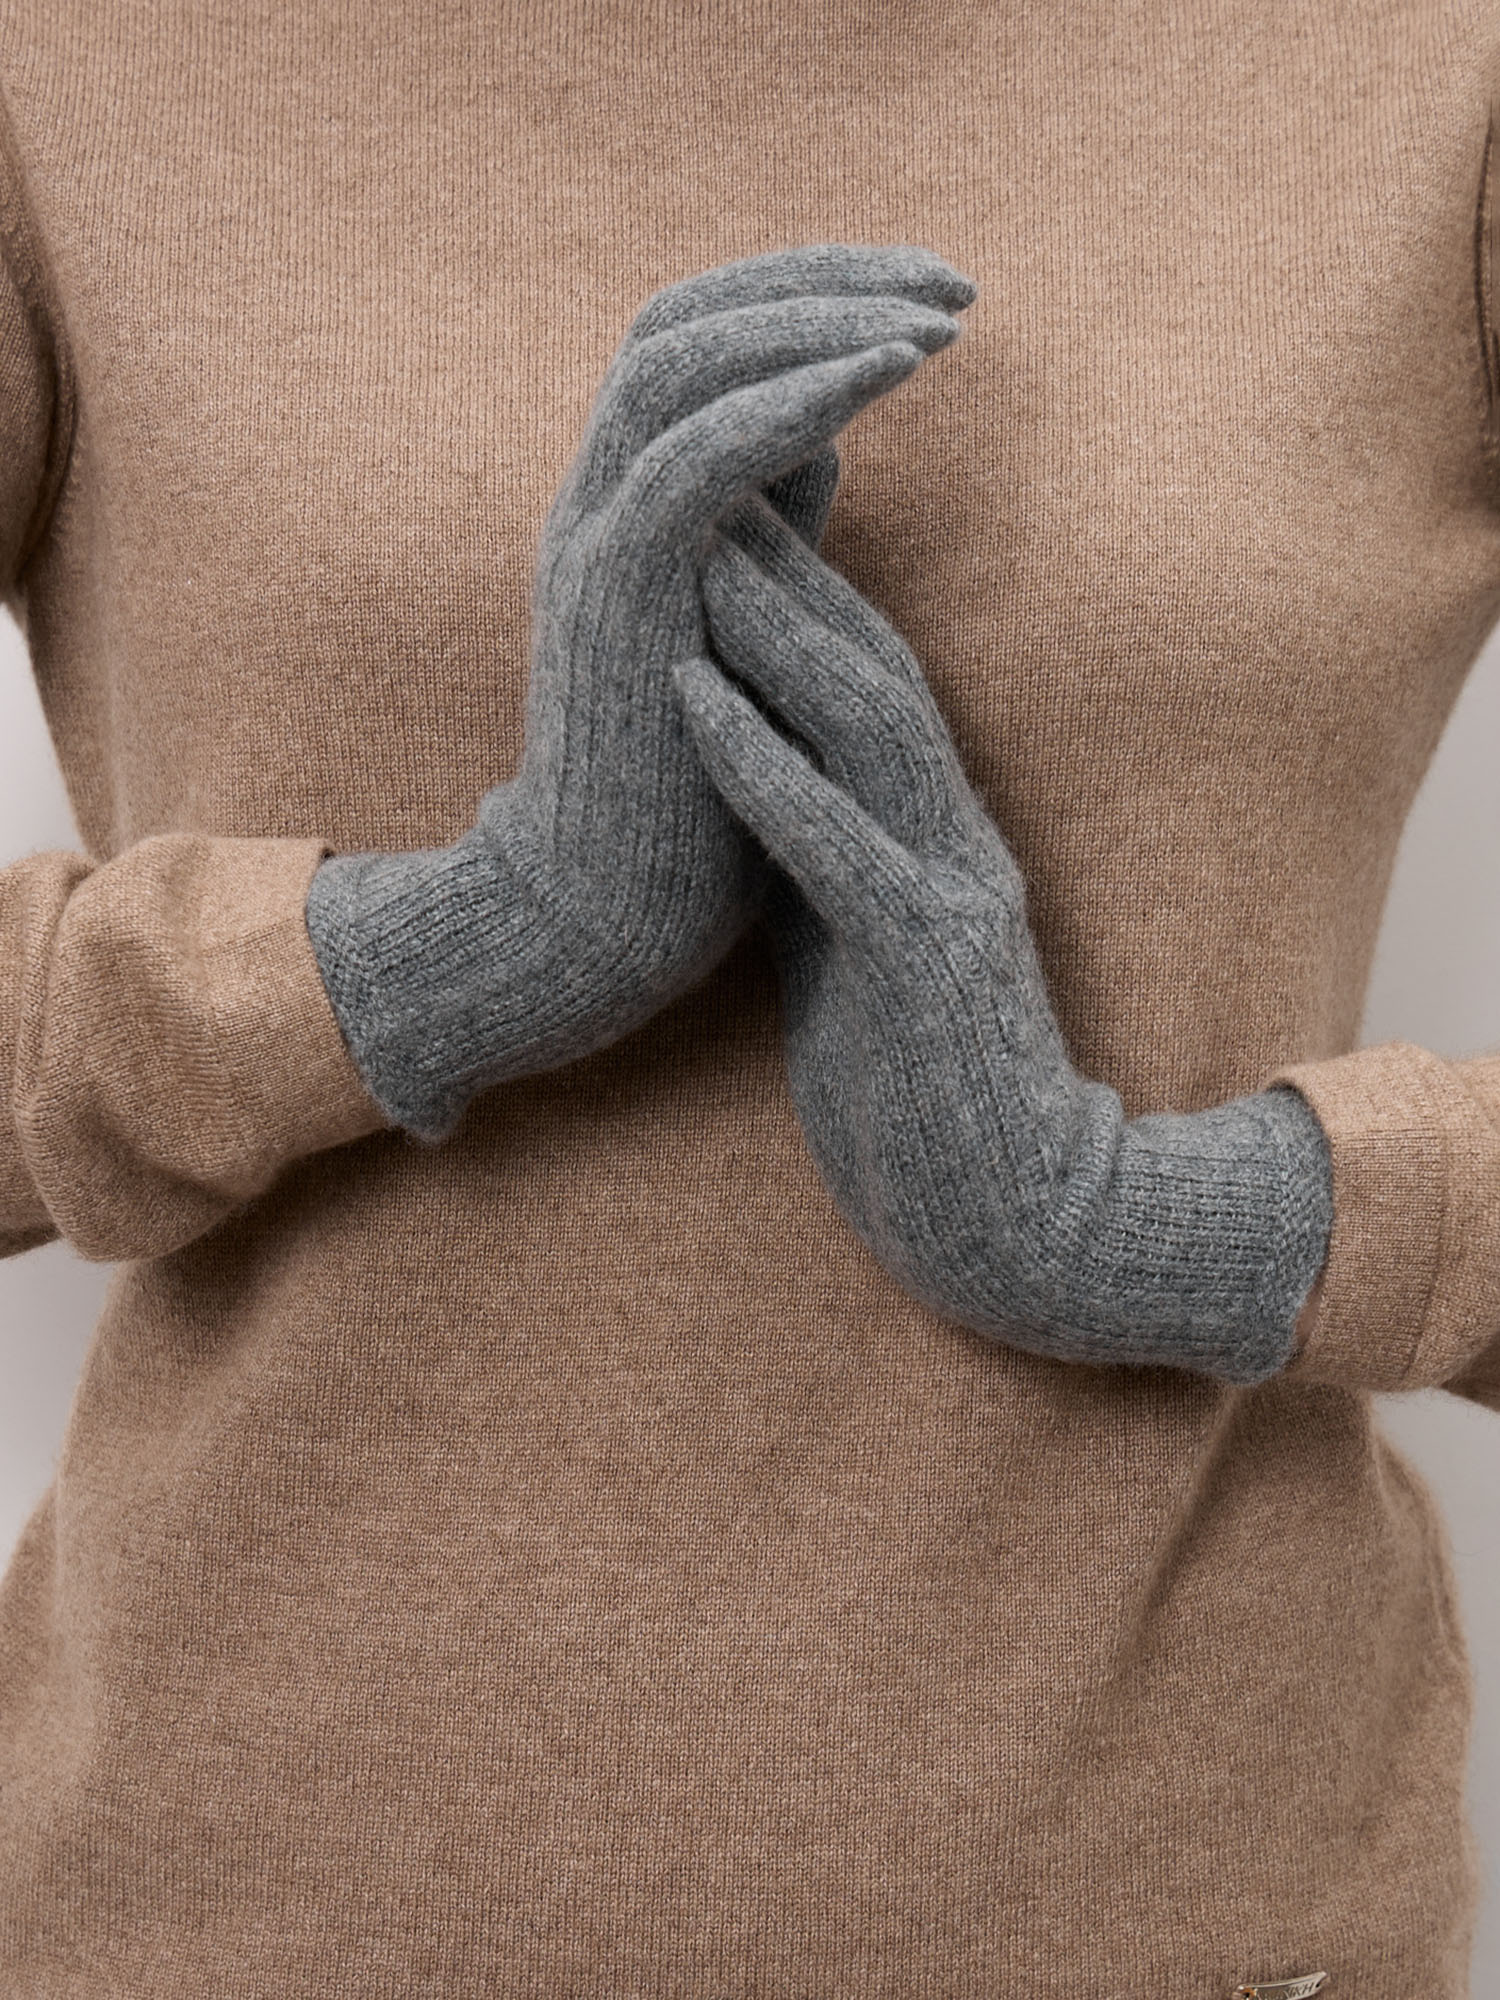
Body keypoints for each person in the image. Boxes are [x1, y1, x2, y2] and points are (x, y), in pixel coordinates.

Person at [0, 5, 1497, 1994]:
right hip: (226, 1924)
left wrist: (1184, 1228)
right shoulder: (64, 64)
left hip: (1191, 1927)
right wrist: (429, 955)